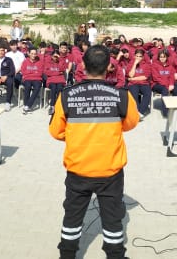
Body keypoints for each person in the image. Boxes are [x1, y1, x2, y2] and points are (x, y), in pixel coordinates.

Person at [49, 45, 139, 259]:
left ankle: (67, 255)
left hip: (78, 169)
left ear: (82, 65)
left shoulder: (66, 95)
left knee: (72, 217)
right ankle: (115, 255)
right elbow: (130, 124)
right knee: (112, 219)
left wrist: (75, 136)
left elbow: (55, 131)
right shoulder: (122, 95)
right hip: (110, 171)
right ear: (109, 67)